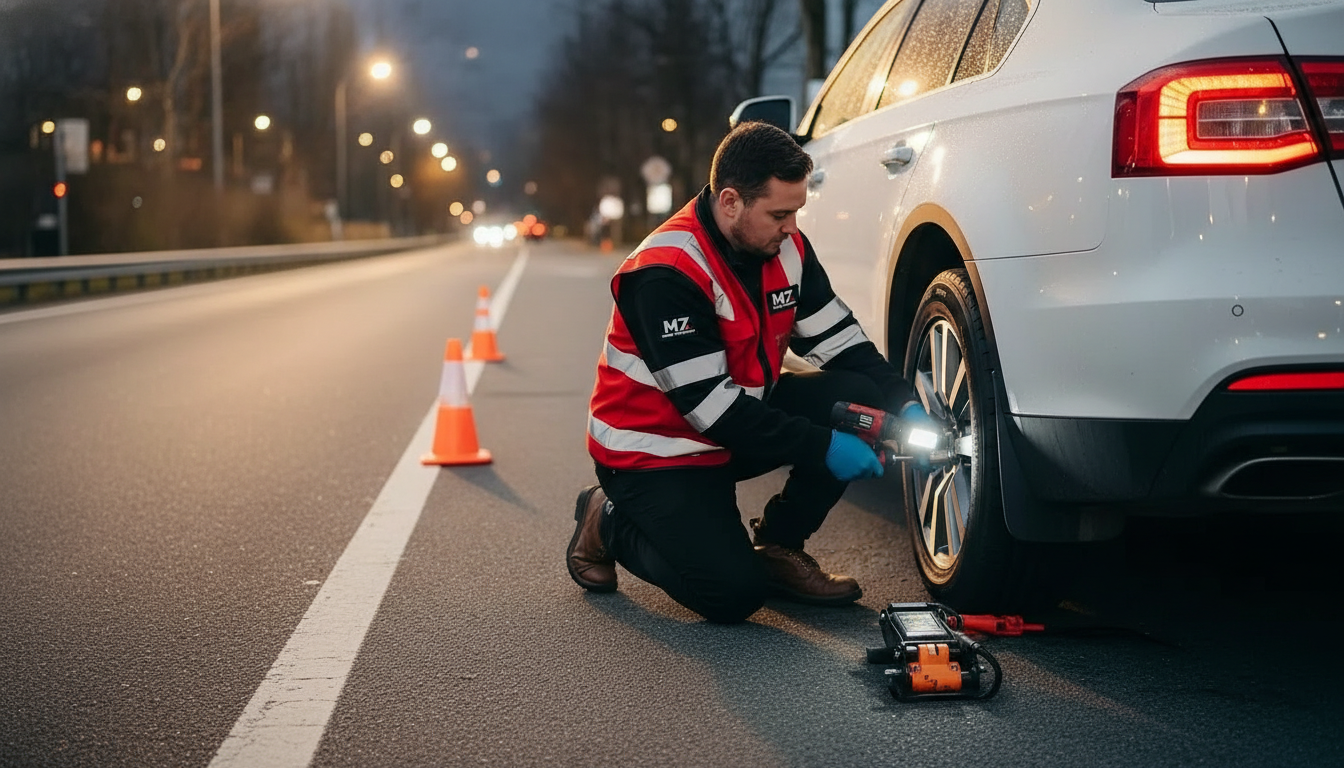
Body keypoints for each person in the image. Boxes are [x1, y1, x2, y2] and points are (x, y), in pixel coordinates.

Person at [567, 121, 928, 624]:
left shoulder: (785, 249)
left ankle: (780, 546)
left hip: (735, 424)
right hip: (656, 452)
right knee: (731, 594)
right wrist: (825, 446)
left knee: (860, 396)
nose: (792, 228)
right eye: (779, 214)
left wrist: (904, 404)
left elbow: (842, 343)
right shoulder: (665, 271)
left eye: (797, 212)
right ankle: (605, 518)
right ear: (731, 202)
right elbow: (712, 412)